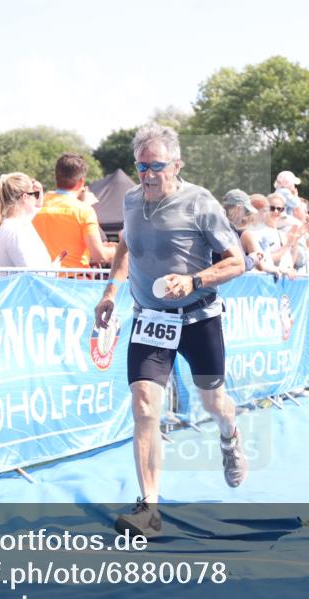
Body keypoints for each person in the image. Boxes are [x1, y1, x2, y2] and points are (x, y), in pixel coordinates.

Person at [94, 124, 246, 538]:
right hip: (150, 318)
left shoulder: (200, 203)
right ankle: (149, 508)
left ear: (177, 165)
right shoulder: (130, 201)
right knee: (145, 405)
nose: (147, 175)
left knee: (214, 401)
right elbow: (125, 245)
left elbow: (237, 261)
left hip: (199, 317)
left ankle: (230, 436)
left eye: (156, 166)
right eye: (141, 166)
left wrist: (194, 281)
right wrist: (110, 292)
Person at [32, 153, 116, 271]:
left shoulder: (36, 206)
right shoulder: (84, 211)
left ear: (55, 177)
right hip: (75, 278)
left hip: (43, 277)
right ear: (81, 182)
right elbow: (99, 256)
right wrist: (116, 250)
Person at [0, 172, 53, 269]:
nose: (36, 198)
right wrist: (52, 270)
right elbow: (30, 271)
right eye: (34, 194)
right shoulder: (15, 231)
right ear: (25, 197)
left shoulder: (13, 225)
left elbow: (36, 209)